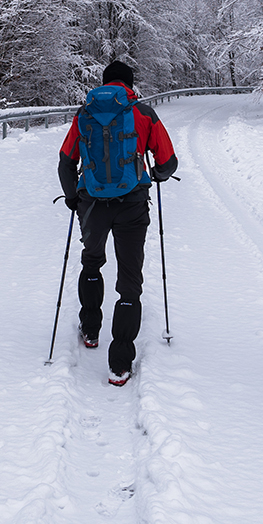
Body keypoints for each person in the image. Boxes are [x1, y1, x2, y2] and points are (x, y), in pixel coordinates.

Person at [58, 60, 178, 385]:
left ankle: (91, 330)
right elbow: (168, 161)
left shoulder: (84, 114)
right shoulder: (142, 113)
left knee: (92, 262)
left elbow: (66, 163)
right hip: (133, 205)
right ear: (130, 85)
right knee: (129, 280)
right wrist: (156, 175)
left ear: (104, 83)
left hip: (91, 204)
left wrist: (73, 199)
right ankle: (120, 365)